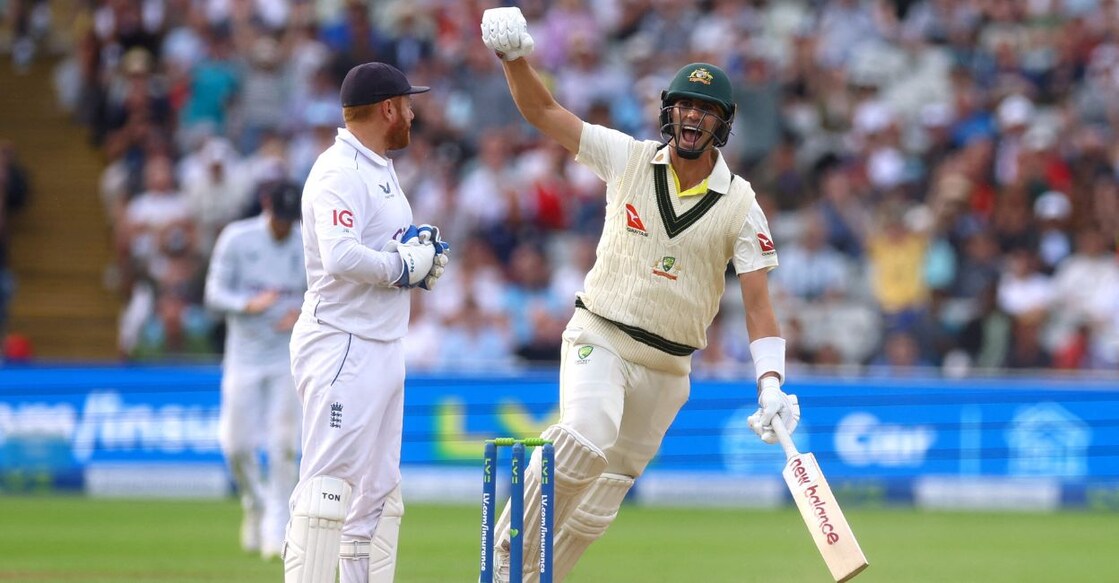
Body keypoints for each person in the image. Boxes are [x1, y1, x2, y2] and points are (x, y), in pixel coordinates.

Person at [480, 8, 801, 582]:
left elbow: (759, 305)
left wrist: (771, 383)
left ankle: (532, 578)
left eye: (706, 110)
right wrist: (513, 58)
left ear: (722, 124)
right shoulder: (627, 158)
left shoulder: (742, 203)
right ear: (668, 112)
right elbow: (543, 110)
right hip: (600, 333)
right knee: (585, 437)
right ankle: (507, 553)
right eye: (684, 105)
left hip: (668, 367)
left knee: (601, 502)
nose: (693, 117)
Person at [281, 61, 450, 583]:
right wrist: (403, 268)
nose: (414, 113)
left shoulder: (377, 166)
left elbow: (376, 245)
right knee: (328, 490)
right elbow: (339, 257)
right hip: (342, 344)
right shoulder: (338, 171)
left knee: (378, 496)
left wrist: (417, 252)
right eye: (407, 104)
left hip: (381, 342)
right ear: (387, 109)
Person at [204, 181, 307, 559]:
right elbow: (213, 294)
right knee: (236, 446)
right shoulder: (236, 238)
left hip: (286, 356)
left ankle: (277, 528)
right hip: (243, 357)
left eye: (288, 220)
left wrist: (301, 312)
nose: (283, 227)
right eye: (278, 219)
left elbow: (321, 294)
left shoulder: (303, 241)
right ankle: (255, 502)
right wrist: (248, 304)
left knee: (282, 446)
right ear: (265, 205)